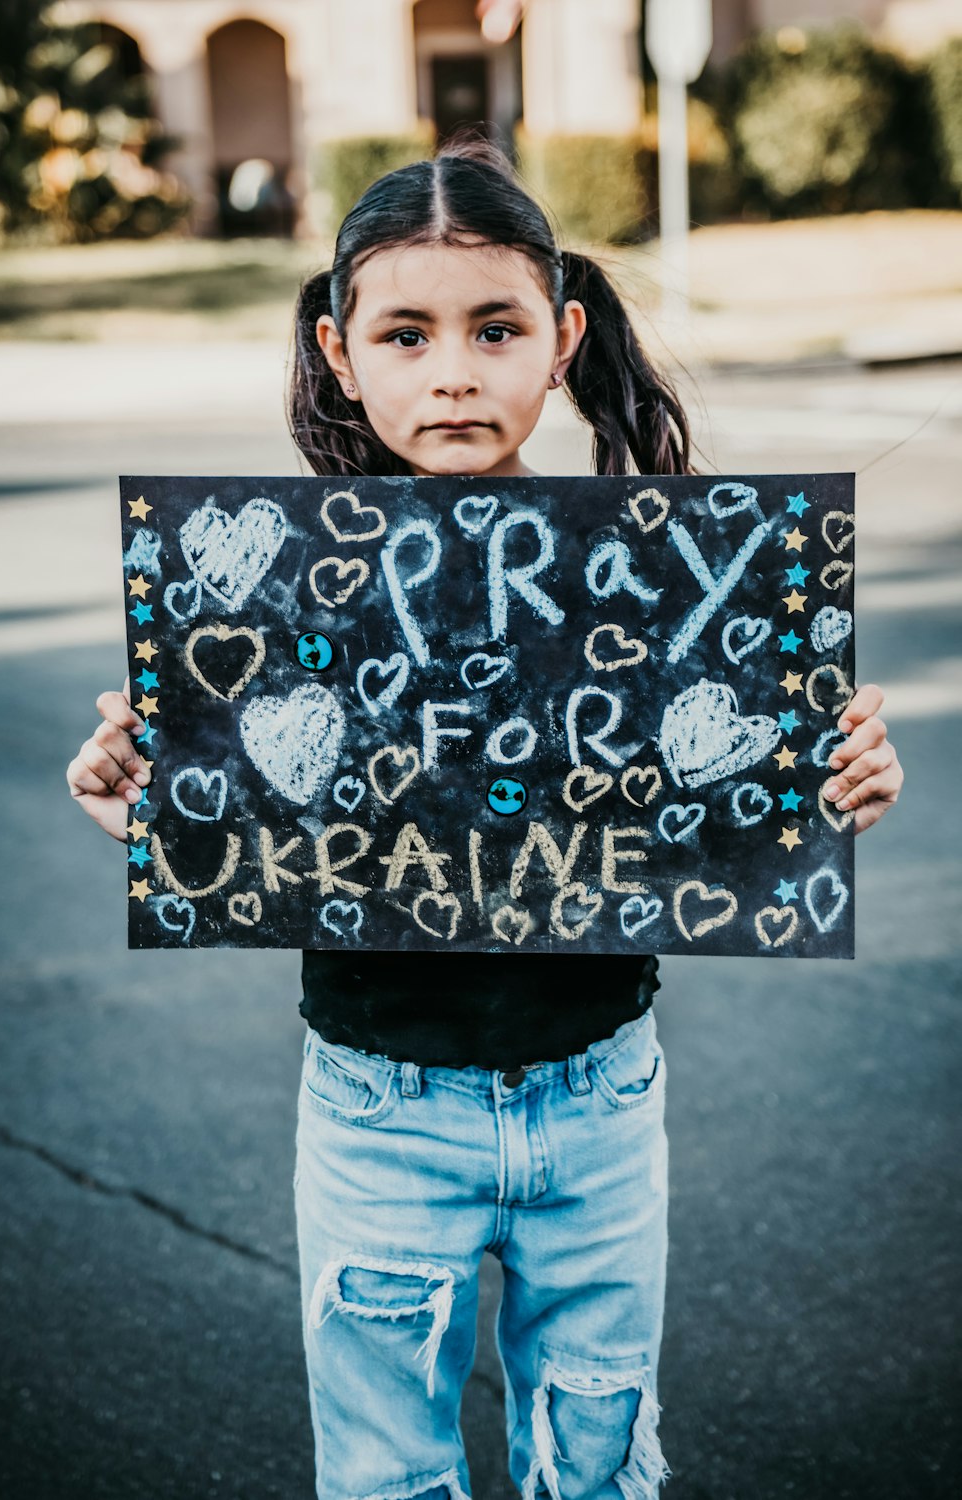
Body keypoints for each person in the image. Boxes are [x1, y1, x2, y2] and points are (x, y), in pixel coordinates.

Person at [65, 138, 904, 1500]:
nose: (451, 368)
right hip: (380, 1110)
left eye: (495, 328)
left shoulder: (665, 572)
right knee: (389, 1474)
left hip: (599, 1100)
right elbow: (224, 823)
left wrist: (851, 776)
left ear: (562, 340)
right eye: (406, 333)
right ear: (342, 353)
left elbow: (747, 800)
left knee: (600, 1463)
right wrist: (131, 804)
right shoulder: (273, 584)